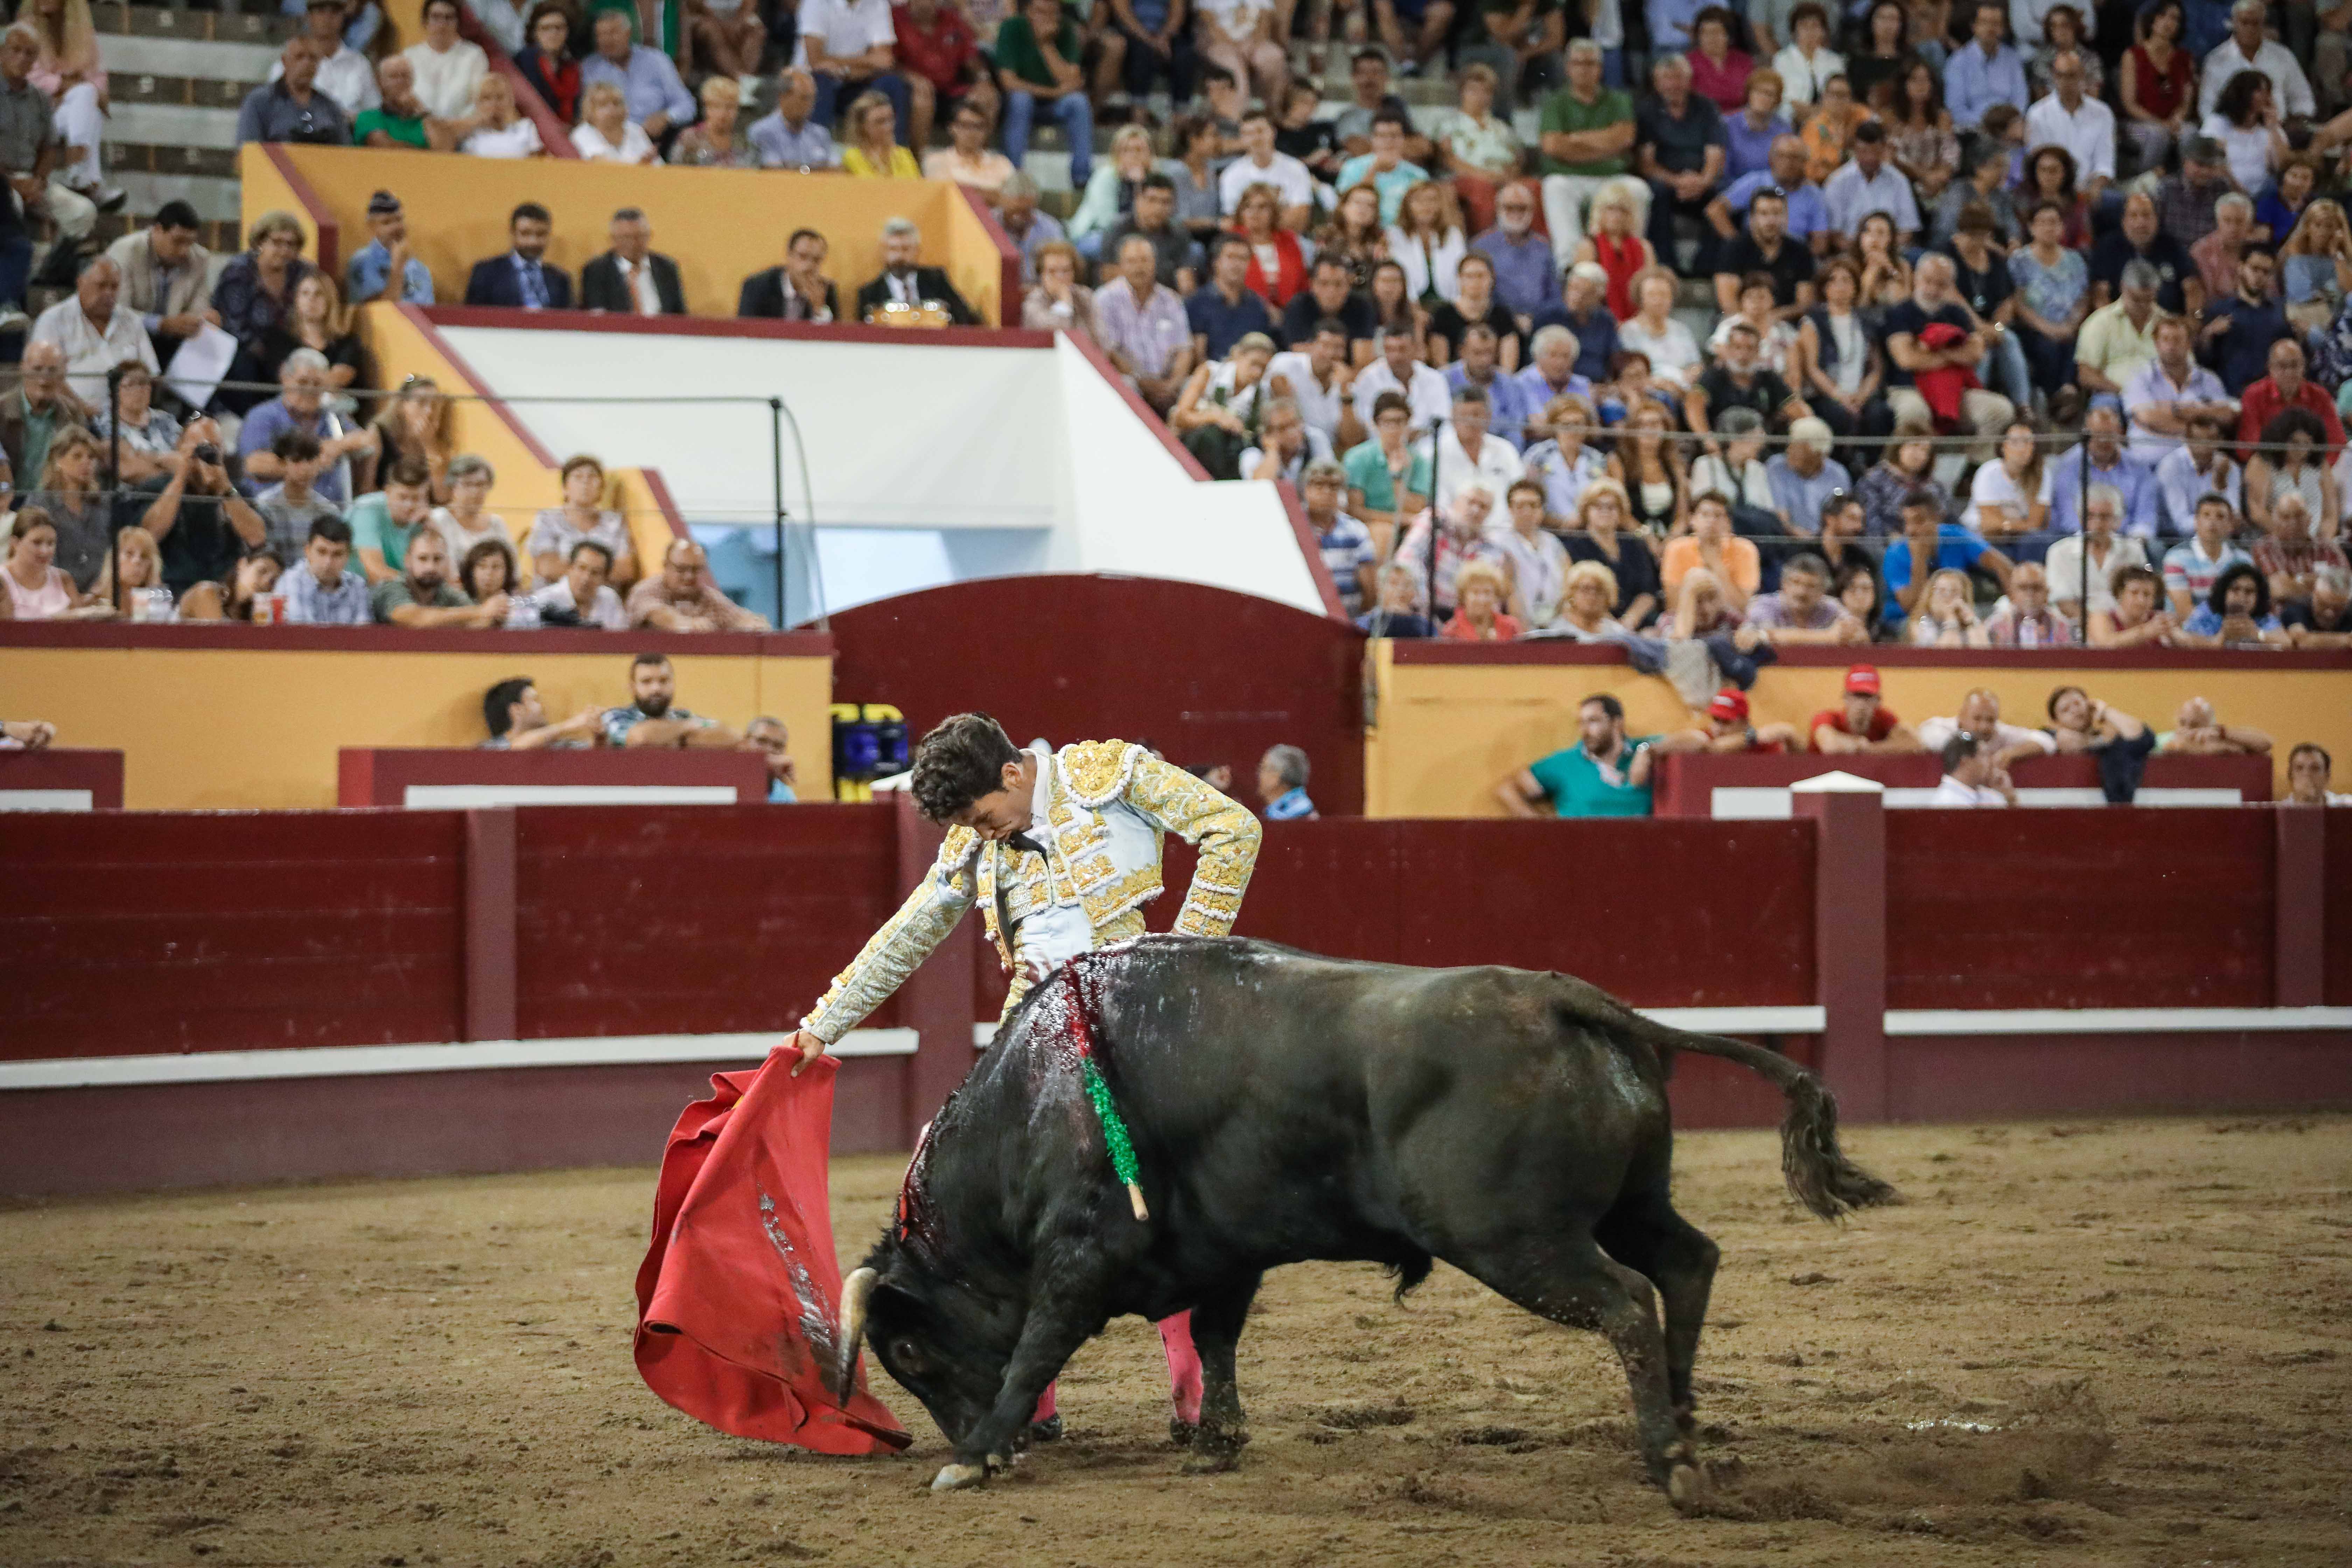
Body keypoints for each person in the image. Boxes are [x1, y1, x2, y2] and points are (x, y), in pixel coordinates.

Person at [778, 712, 1260, 1437]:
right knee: (980, 1201)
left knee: (1149, 1198)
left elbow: (1234, 829)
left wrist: (1182, 962)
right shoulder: (977, 839)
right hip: (1026, 1046)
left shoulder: (1112, 774)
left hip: (1128, 1029)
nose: (981, 830)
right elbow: (909, 932)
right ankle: (1032, 1404)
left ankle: (1195, 1398)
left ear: (1012, 774)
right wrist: (821, 1024)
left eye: (982, 815)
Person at [1882, 252, 2016, 453]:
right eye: (1928, 282)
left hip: (1954, 390)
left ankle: (1972, 468)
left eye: (1941, 284)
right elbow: (1907, 360)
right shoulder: (1900, 313)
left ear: (1951, 286)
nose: (1933, 290)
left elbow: (1976, 353)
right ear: (1916, 279)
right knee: (1914, 412)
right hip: (1908, 388)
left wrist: (1936, 352)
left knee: (2000, 410)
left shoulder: (1956, 313)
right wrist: (1955, 355)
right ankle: (1907, 470)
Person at [135, 419, 268, 598]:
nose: (206, 455)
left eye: (215, 448)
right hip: (171, 590)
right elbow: (151, 534)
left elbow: (257, 538)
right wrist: (181, 475)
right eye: (200, 448)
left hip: (226, 591)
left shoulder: (237, 491)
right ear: (181, 448)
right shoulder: (157, 488)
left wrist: (225, 489)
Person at [1538, 40, 1641, 266]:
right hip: (1569, 178)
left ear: (1600, 69)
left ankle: (1630, 260)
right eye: (1578, 63)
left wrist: (1576, 140)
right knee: (1554, 186)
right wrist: (1605, 144)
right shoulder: (1556, 103)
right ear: (1568, 68)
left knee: (1637, 189)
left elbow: (1625, 138)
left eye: (1590, 64)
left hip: (1609, 178)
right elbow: (1553, 147)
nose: (1584, 69)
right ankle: (1570, 265)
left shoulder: (1618, 100)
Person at [1497, 693, 1658, 816]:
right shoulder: (1565, 763)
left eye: (1593, 721)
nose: (1585, 731)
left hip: (1638, 851)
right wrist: (1541, 831)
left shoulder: (1642, 748)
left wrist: (1646, 749)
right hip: (1581, 853)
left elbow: (1683, 739)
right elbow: (1507, 790)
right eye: (1582, 723)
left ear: (1617, 724)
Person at [1633, 52, 1727, 263]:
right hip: (1667, 181)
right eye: (1667, 79)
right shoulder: (1647, 110)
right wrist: (1677, 181)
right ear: (1657, 83)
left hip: (1701, 180)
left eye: (1679, 78)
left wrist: (1702, 182)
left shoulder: (1706, 107)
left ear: (1689, 80)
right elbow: (1647, 163)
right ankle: (1666, 263)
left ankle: (1708, 265)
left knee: (1722, 195)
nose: (1673, 85)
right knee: (1657, 193)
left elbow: (1715, 154)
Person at [995, 0, 1093, 189]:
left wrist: (1046, 45)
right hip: (1022, 104)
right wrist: (1054, 92)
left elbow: (1071, 81)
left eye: (1053, 13)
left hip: (1055, 106)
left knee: (1079, 103)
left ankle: (1082, 177)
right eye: (1041, 12)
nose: (1047, 19)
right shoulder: (1012, 28)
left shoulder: (1066, 30)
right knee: (1020, 99)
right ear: (1028, 12)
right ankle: (1012, 174)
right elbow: (1008, 82)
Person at [1096, 233, 1197, 415]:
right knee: (1126, 385)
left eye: (1145, 261)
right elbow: (1111, 352)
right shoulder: (1106, 299)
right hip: (1132, 381)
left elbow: (1185, 350)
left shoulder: (1171, 299)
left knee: (1193, 386)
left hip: (1168, 384)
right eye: (1132, 262)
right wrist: (1147, 385)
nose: (1139, 268)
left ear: (1155, 263)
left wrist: (1172, 385)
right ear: (1121, 265)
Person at [105, 203, 212, 361]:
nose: (185, 251)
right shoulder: (126, 251)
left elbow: (200, 306)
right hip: (129, 340)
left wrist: (204, 318)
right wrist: (162, 325)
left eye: (190, 243)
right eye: (178, 241)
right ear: (157, 230)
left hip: (176, 342)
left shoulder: (199, 259)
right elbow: (116, 312)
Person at [2045, 483, 2151, 620]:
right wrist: (2098, 629)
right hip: (2078, 629)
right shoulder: (2059, 552)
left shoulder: (2133, 550)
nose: (2097, 524)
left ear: (2117, 521)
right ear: (2080, 517)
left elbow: (2143, 596)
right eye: (2090, 516)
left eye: (2105, 517)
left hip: (2124, 627)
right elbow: (2063, 603)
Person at [528, 454, 636, 588]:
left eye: (592, 477)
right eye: (578, 477)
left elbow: (625, 571)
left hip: (602, 601)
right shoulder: (548, 519)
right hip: (555, 600)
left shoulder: (614, 522)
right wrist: (599, 572)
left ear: (601, 489)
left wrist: (571, 569)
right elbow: (547, 568)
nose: (586, 482)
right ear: (565, 488)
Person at [2197, 0, 2312, 121]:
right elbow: (2207, 107)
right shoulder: (2216, 60)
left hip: (2278, 130)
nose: (2250, 29)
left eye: (2256, 23)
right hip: (2230, 134)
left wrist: (2297, 120)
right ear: (2234, 23)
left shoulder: (2283, 56)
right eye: (2245, 23)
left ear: (2264, 25)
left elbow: (2303, 98)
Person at [2207, 253, 2299, 404]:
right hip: (2231, 396)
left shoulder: (2280, 312)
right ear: (2241, 268)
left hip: (2272, 397)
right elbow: (2205, 359)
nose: (2259, 276)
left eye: (2266, 272)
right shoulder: (2220, 309)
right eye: (2255, 269)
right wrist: (2208, 334)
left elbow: (2290, 353)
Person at [626, 537, 768, 631]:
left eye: (696, 570)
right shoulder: (647, 590)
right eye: (681, 569)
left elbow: (738, 617)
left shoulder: (708, 597)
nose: (689, 576)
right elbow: (657, 614)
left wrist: (753, 624)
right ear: (666, 566)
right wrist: (686, 624)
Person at [237, 34, 352, 147]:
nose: (307, 64)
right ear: (285, 61)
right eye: (299, 57)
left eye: (313, 58)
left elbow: (345, 154)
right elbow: (247, 150)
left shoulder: (330, 108)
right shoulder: (260, 102)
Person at [855, 217, 976, 324]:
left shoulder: (937, 282)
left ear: (917, 251)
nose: (900, 256)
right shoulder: (870, 294)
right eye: (893, 249)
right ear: (884, 253)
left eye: (906, 249)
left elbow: (964, 318)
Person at [373, 527, 501, 629]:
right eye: (423, 559)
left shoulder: (446, 591)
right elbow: (414, 618)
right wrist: (481, 611)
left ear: (448, 562)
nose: (431, 567)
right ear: (408, 561)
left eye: (438, 559)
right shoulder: (392, 587)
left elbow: (479, 623)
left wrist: (496, 613)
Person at [2088, 191, 2192, 314]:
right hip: (2121, 323)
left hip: (2167, 324)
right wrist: (2111, 323)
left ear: (2157, 219)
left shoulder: (2172, 245)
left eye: (2146, 215)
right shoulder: (2107, 247)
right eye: (2134, 216)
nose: (2141, 223)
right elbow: (2100, 294)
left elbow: (2192, 286)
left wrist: (2193, 318)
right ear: (2124, 221)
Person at [0, 508, 105, 620]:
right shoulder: (3, 581)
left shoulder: (64, 579)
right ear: (16, 543)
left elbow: (80, 627)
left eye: (51, 543)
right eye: (37, 543)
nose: (45, 551)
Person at [1742, 549, 1867, 643]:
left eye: (1811, 586)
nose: (1802, 591)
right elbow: (1769, 635)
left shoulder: (1831, 606)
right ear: (1784, 584)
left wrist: (1853, 631)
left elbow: (1861, 635)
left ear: (1823, 592)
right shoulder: (1765, 605)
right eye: (1796, 582)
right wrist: (1829, 637)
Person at [2245, 410, 2338, 534]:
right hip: (2275, 539)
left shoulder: (2321, 465)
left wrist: (2321, 543)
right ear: (2281, 440)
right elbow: (2257, 512)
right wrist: (2290, 540)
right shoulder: (2262, 463)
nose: (2301, 450)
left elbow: (2331, 514)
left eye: (2307, 443)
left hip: (2316, 543)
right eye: (2295, 442)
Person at [87, 363, 182, 485]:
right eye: (131, 385)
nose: (138, 391)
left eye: (143, 384)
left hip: (178, 487)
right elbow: (128, 467)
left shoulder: (165, 420)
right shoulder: (105, 424)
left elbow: (184, 455)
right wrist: (167, 464)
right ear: (116, 391)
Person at [463, 203, 572, 309]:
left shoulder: (560, 279)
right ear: (513, 234)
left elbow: (569, 322)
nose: (533, 242)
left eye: (541, 234)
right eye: (525, 234)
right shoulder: (487, 273)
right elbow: (472, 318)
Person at [2161, 489, 2254, 614]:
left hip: (2233, 629)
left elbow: (2249, 606)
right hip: (2188, 631)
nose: (2213, 522)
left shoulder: (2244, 561)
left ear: (2230, 524)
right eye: (2206, 515)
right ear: (2196, 522)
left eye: (2220, 516)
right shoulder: (2176, 559)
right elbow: (2185, 613)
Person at [581, 208, 686, 316]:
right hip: (618, 332)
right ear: (613, 239)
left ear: (649, 236)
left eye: (639, 237)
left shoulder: (666, 268)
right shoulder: (596, 271)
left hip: (662, 331)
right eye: (626, 237)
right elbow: (596, 315)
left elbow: (680, 315)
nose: (633, 243)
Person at [1944, 0, 2028, 132]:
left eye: (1996, 23)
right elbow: (1956, 108)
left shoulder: (2013, 59)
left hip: (2009, 130)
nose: (1990, 29)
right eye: (1985, 22)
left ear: (2003, 29)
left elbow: (2021, 100)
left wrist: (2008, 125)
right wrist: (1988, 126)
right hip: (1973, 130)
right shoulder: (1958, 62)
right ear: (1974, 26)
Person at [1353, 320, 1453, 432]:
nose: (1396, 356)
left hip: (1426, 444)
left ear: (1415, 349)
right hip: (1382, 443)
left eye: (1402, 349)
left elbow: (1442, 419)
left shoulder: (1434, 378)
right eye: (1390, 350)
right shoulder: (1368, 378)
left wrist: (1417, 434)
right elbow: (1366, 424)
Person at [1916, 686, 2058, 764]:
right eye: (1977, 719)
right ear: (1962, 715)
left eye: (1990, 720)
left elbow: (2046, 741)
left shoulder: (2000, 732)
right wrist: (1971, 743)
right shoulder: (1939, 727)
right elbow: (1928, 736)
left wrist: (2010, 754)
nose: (1984, 727)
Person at [1963, 420, 2051, 541]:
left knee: (2035, 541)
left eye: (2027, 442)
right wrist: (2019, 525)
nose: (2022, 449)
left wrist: (2005, 525)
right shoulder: (1988, 472)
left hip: (2022, 539)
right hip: (1981, 536)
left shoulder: (2042, 474)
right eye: (2015, 442)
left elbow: (2035, 524)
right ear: (2003, 446)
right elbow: (1989, 523)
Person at [345, 191, 433, 308]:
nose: (396, 227)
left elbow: (431, 315)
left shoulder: (421, 269)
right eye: (387, 223)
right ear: (372, 227)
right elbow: (377, 312)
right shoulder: (362, 262)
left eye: (399, 220)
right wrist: (398, 267)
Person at [278, 515, 371, 625]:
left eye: (338, 554)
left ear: (348, 556)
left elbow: (363, 636)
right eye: (322, 552)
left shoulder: (358, 586)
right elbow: (298, 635)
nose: (328, 562)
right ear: (308, 551)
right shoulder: (290, 582)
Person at [402, 0, 487, 120]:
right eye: (436, 17)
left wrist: (449, 130)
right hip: (418, 129)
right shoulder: (409, 57)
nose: (442, 24)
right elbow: (404, 100)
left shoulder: (474, 56)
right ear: (425, 21)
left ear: (458, 23)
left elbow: (478, 102)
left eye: (449, 18)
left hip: (463, 130)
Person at [1810, 663, 1921, 752]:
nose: (1862, 704)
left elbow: (1914, 743)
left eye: (1867, 697)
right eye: (1857, 696)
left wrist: (1869, 749)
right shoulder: (1828, 718)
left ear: (1878, 701)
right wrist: (1860, 744)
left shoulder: (1884, 719)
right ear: (1845, 698)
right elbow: (1830, 746)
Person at [429, 453, 510, 574]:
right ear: (453, 487)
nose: (475, 492)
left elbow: (513, 571)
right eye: (468, 485)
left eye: (481, 485)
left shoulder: (497, 524)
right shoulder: (438, 520)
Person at [523, 538, 627, 629]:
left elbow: (622, 642)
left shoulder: (611, 599)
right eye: (582, 568)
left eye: (595, 573)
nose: (586, 578)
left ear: (605, 579)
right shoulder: (544, 600)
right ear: (570, 568)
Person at [738, 228, 838, 322]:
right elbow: (746, 332)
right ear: (789, 256)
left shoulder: (826, 291)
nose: (809, 266)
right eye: (803, 257)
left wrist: (820, 310)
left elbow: (835, 338)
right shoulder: (758, 287)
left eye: (817, 260)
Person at [748, 69, 839, 169]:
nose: (810, 105)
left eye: (813, 99)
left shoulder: (821, 134)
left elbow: (835, 168)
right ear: (783, 97)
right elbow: (774, 170)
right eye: (804, 98)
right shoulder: (763, 132)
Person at [482, 676, 601, 750]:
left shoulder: (561, 747)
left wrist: (600, 735)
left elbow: (595, 762)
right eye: (535, 701)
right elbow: (516, 750)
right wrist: (569, 725)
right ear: (517, 710)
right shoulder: (489, 750)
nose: (543, 707)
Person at [1023, 239, 1101, 346]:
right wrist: (1064, 301)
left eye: (1066, 271)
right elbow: (1058, 335)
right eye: (1052, 272)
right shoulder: (1033, 303)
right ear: (1041, 274)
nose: (1060, 278)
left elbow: (1102, 340)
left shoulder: (1085, 296)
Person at [177, 546, 284, 624]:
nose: (266, 582)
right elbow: (222, 641)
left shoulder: (252, 616)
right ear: (242, 565)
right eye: (262, 571)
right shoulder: (207, 592)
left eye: (273, 581)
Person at [514, 1, 579, 122]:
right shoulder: (524, 62)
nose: (553, 34)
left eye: (559, 28)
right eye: (546, 29)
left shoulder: (572, 66)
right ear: (535, 33)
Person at [2088, 561, 2180, 644]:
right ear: (2120, 594)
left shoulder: (2161, 621)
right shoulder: (2102, 618)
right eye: (2134, 593)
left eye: (2147, 595)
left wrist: (2175, 636)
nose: (2141, 600)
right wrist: (2145, 632)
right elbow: (2105, 644)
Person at [667, 75, 748, 168]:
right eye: (716, 107)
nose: (723, 113)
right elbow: (675, 172)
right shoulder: (690, 139)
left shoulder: (744, 142)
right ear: (706, 108)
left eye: (730, 107)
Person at [571, 78, 657, 163]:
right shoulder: (582, 134)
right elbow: (601, 164)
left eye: (617, 103)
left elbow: (657, 164)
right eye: (603, 104)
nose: (612, 109)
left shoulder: (636, 130)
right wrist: (640, 165)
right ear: (590, 110)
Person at [2156, 695, 2273, 755]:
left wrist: (2222, 733)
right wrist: (2206, 749)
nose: (2186, 730)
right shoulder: (2161, 740)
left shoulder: (2218, 739)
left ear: (2209, 727)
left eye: (2195, 725)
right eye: (2182, 723)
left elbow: (2266, 743)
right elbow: (2173, 748)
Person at [1355, 558, 1439, 636]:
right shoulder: (1366, 623)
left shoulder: (1424, 626)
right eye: (1394, 583)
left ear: (1414, 593)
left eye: (1407, 584)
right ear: (1379, 589)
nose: (1401, 589)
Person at [1929, 730, 2017, 805]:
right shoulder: (1946, 803)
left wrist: (2010, 798)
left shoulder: (1990, 796)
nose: (1990, 763)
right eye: (1983, 756)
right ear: (1965, 761)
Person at [2283, 566, 2351, 648]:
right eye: (2324, 605)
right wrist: (2345, 640)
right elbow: (2300, 641)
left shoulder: (2350, 610)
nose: (2329, 613)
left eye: (2338, 608)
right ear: (2314, 595)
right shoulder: (2296, 607)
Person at [1255, 744, 1316, 819]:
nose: (1259, 774)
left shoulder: (1299, 813)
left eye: (1264, 768)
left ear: (1277, 776)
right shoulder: (1278, 811)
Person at [2284, 742, 2349, 803]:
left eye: (2315, 768)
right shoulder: (2278, 812)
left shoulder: (2348, 805)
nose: (2307, 774)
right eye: (2300, 768)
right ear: (2290, 776)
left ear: (2327, 775)